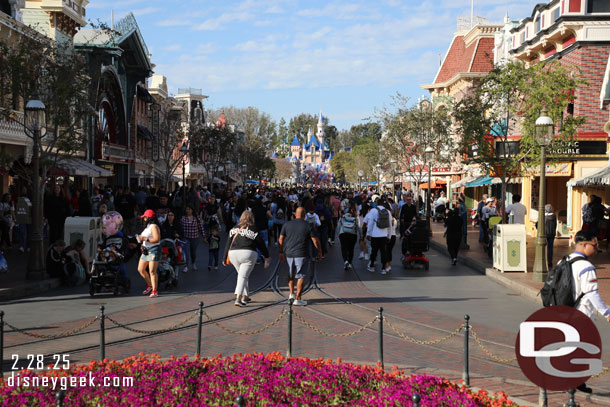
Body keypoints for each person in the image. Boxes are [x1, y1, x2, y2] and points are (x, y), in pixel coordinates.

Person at [566, 230, 610, 393]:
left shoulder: (565, 260)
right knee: (585, 349)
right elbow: (592, 293)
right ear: (584, 245)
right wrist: (606, 313)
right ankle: (575, 381)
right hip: (581, 314)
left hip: (565, 311)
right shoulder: (586, 266)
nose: (597, 248)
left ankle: (574, 380)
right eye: (594, 244)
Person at [223, 210, 270, 307]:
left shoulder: (234, 228)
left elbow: (228, 243)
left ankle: (245, 296)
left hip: (233, 254)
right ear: (251, 218)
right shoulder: (253, 228)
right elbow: (260, 243)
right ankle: (238, 298)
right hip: (248, 253)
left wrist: (224, 258)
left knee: (242, 275)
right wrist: (266, 255)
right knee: (243, 276)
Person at [278, 207, 322, 306]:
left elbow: (280, 239)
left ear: (295, 214)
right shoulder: (308, 225)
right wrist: (319, 251)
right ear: (304, 215)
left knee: (291, 274)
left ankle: (291, 294)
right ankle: (298, 298)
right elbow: (315, 240)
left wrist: (280, 251)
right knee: (301, 276)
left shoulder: (287, 224)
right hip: (302, 253)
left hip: (289, 253)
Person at [363, 197, 392, 274]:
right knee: (383, 251)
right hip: (384, 235)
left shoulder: (373, 211)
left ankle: (372, 266)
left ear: (377, 203)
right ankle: (383, 268)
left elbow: (370, 224)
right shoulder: (388, 212)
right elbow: (390, 225)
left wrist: (368, 234)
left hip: (375, 235)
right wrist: (389, 235)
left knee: (374, 251)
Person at [137, 209, 162, 298]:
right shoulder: (148, 226)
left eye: (144, 218)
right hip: (146, 250)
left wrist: (145, 239)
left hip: (153, 249)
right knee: (141, 269)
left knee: (152, 271)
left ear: (148, 218)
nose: (143, 219)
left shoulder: (154, 226)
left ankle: (155, 291)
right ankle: (150, 285)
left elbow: (157, 239)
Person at [180, 205, 205, 272]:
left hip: (195, 238)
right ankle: (186, 266)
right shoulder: (183, 218)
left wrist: (204, 236)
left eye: (189, 209)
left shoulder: (196, 218)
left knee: (193, 252)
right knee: (187, 253)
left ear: (192, 210)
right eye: (187, 209)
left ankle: (193, 263)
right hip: (186, 238)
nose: (188, 211)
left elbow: (200, 227)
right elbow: (180, 228)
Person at [337, 203, 359, 270]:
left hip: (343, 233)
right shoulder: (355, 218)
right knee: (351, 249)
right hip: (353, 234)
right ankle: (349, 263)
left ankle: (345, 261)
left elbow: (339, 226)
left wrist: (339, 234)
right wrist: (361, 236)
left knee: (344, 248)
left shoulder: (343, 217)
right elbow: (358, 227)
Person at [544, 204, 557, 268]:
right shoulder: (553, 216)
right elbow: (555, 225)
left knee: (543, 248)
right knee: (550, 248)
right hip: (551, 234)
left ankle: (544, 260)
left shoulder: (543, 216)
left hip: (544, 234)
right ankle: (550, 262)